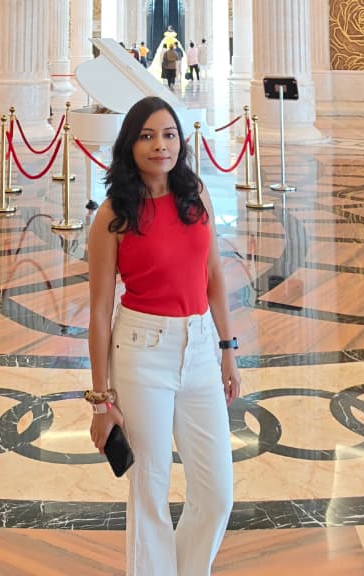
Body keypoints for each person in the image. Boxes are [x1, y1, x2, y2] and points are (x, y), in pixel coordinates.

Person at [86, 96, 237, 574]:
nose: (160, 145)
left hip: (198, 349)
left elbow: (213, 275)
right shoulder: (113, 215)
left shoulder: (197, 196)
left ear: (181, 141)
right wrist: (101, 399)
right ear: (130, 145)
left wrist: (228, 350)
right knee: (149, 491)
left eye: (169, 134)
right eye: (147, 136)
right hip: (140, 351)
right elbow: (97, 311)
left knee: (216, 494)